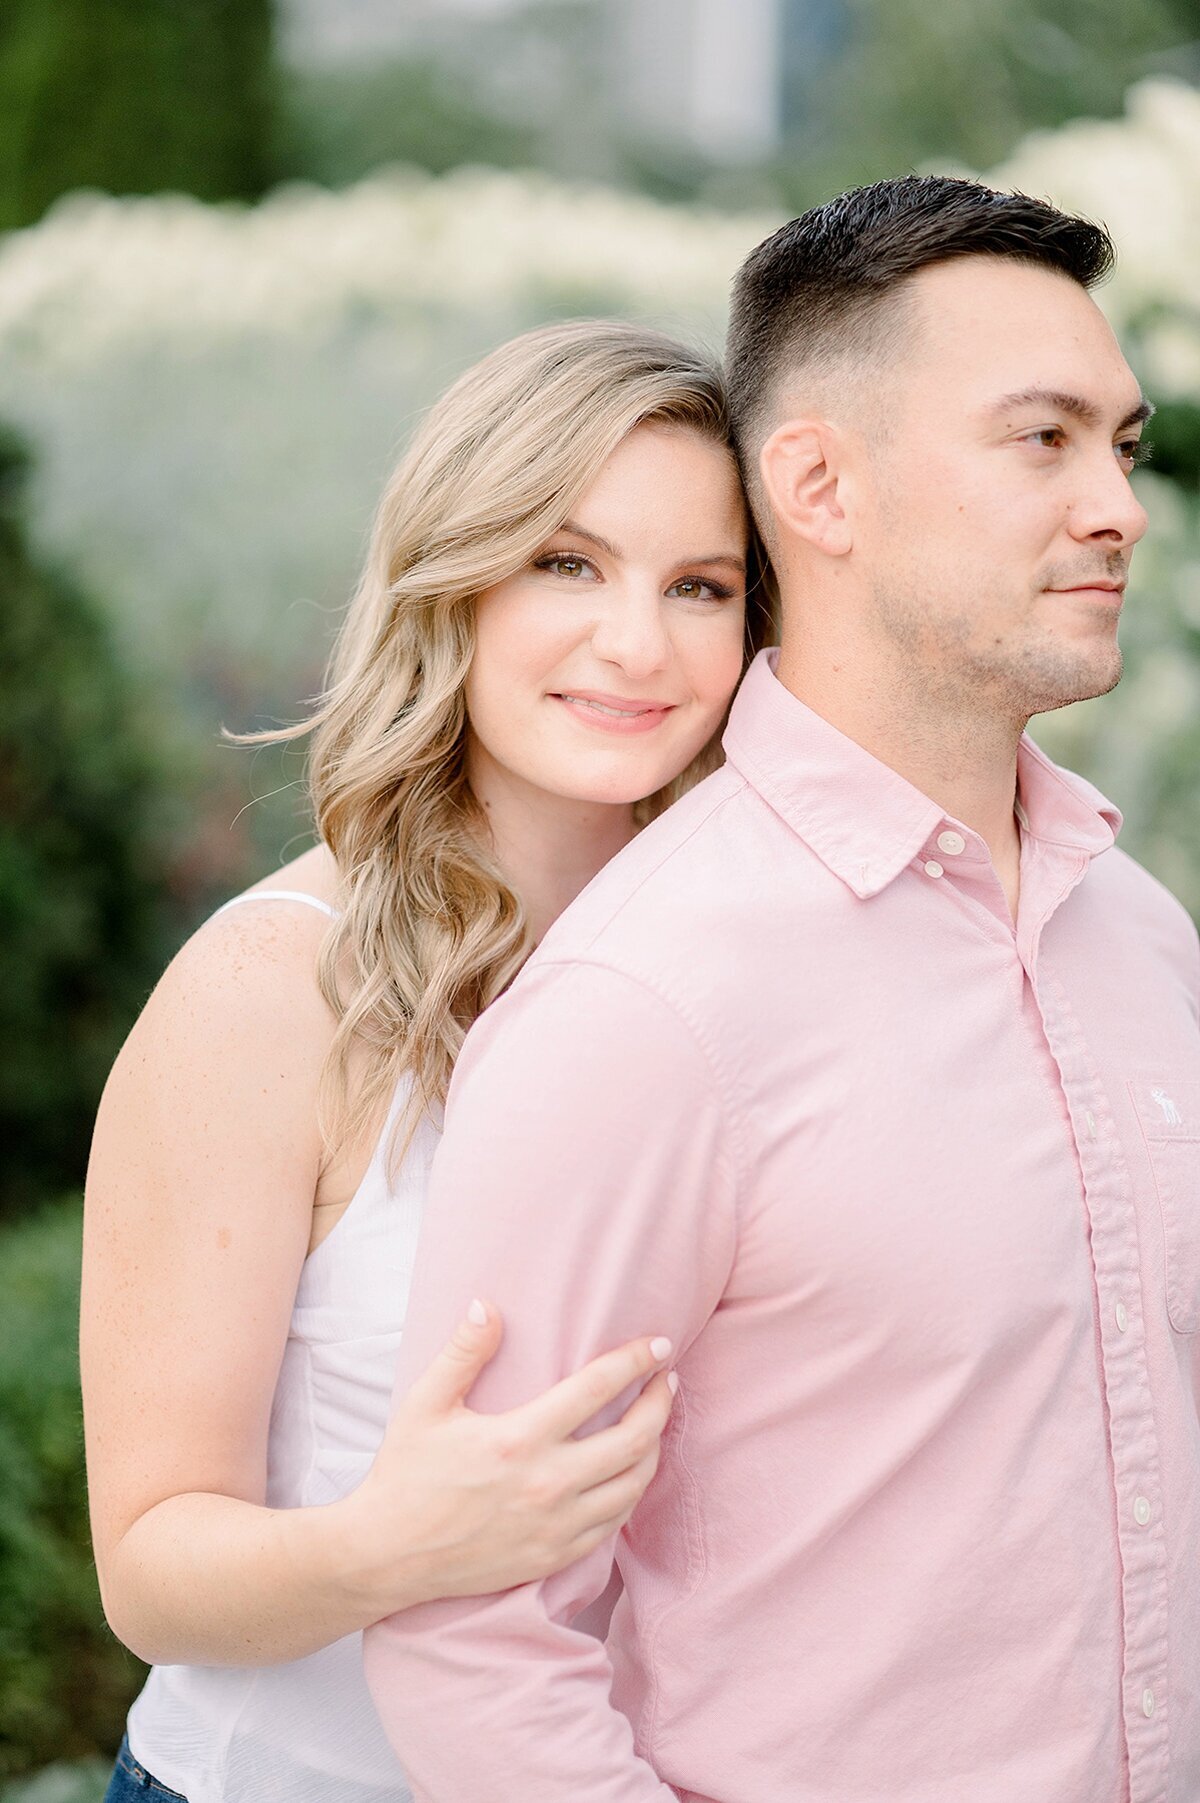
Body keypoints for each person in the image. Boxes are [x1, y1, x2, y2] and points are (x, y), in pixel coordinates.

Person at [361, 176, 1200, 1801]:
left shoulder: (1145, 937)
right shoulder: (648, 1004)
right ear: (817, 482)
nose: (1118, 507)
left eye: (1125, 444)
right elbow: (477, 1643)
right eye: (1043, 440)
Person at [80, 318, 774, 1803]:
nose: (636, 644)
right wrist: (397, 1545)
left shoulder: (750, 984)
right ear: (451, 581)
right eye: (566, 564)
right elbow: (149, 1567)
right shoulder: (272, 991)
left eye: (700, 588)